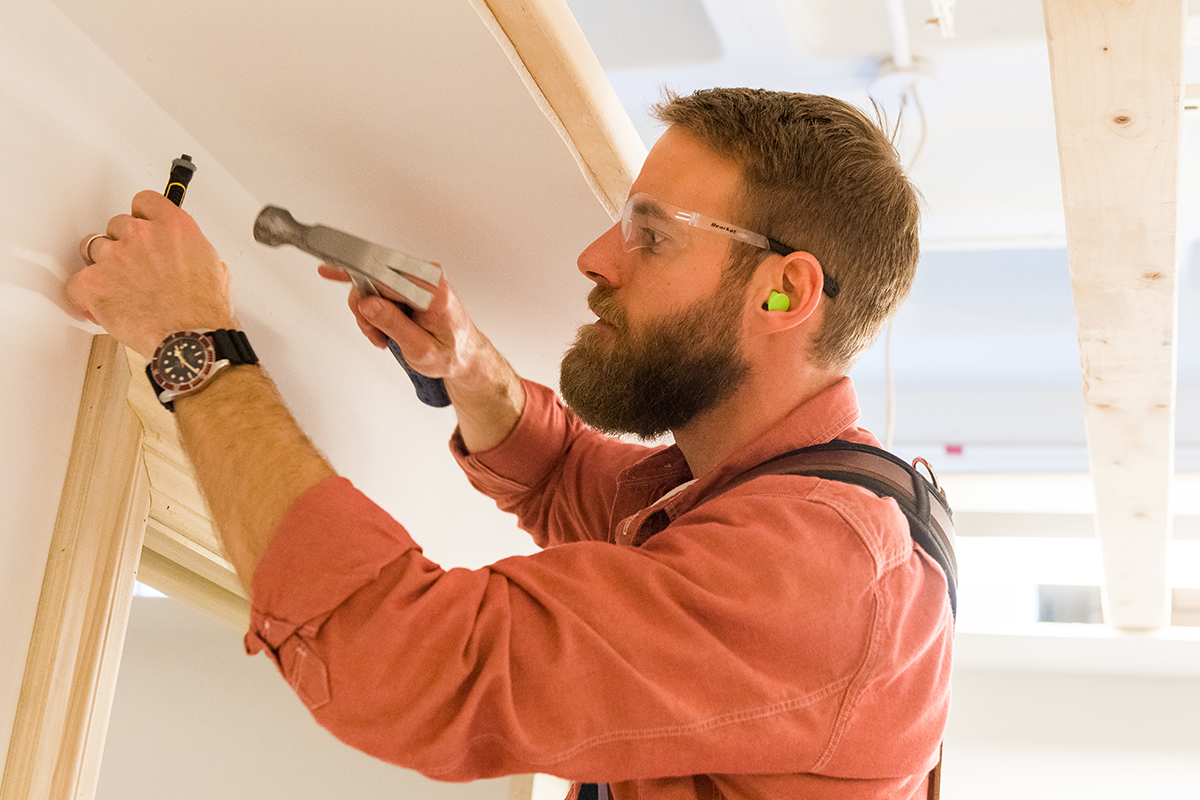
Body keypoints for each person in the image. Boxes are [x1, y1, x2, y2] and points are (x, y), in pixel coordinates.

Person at [67, 88, 951, 799]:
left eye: (652, 234)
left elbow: (403, 662)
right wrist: (464, 360)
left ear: (781, 293)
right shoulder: (765, 490)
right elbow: (573, 479)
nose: (596, 257)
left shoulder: (826, 576)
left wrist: (194, 345)